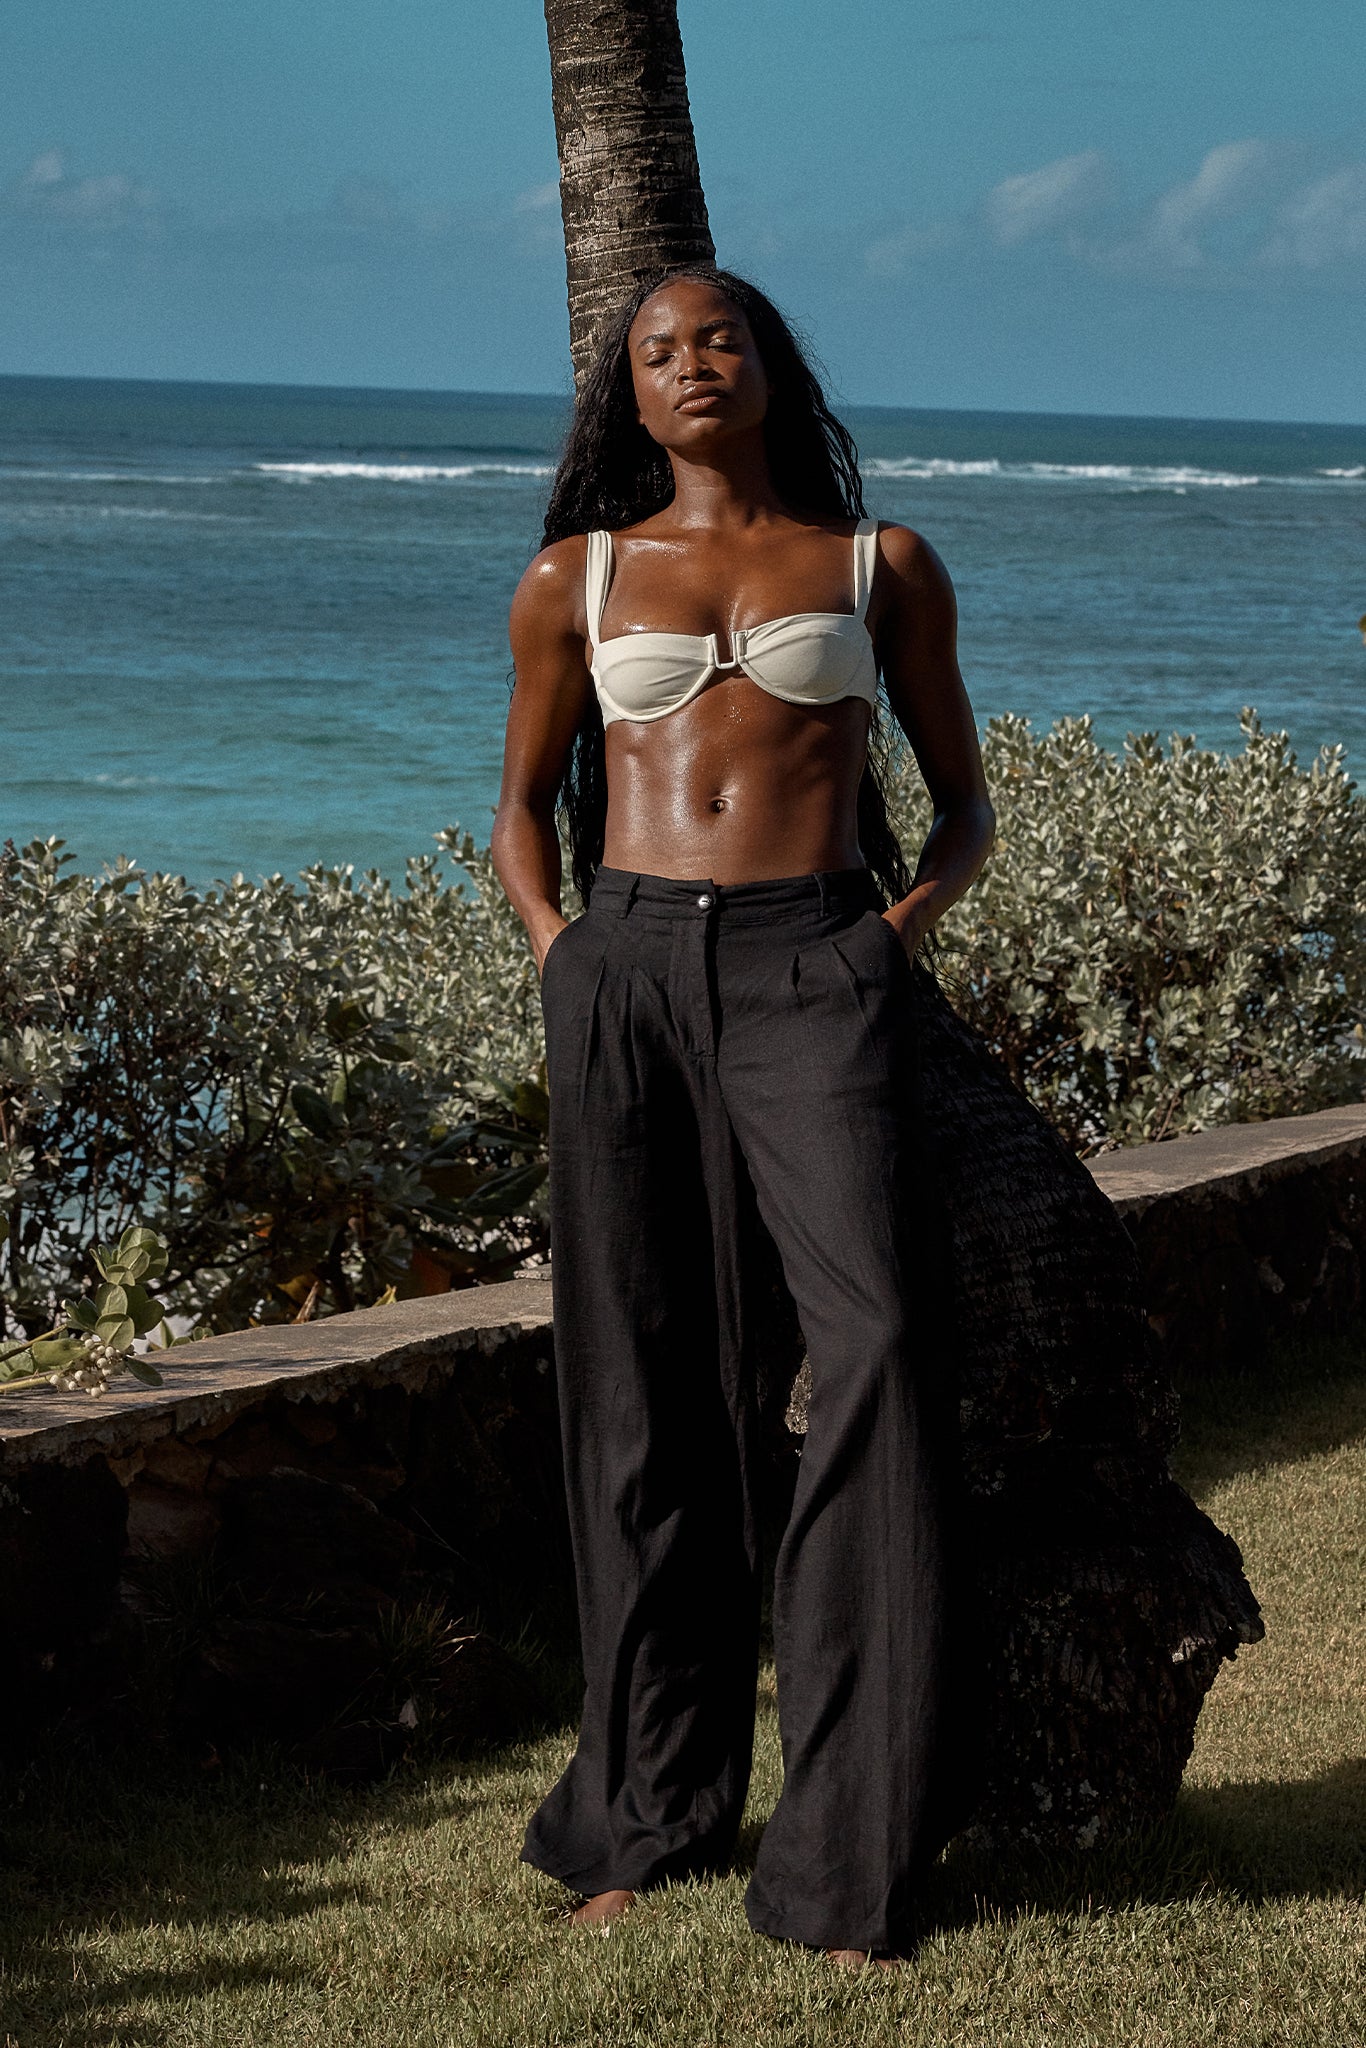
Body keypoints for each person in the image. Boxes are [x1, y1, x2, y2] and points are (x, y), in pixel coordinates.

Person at [490, 264, 996, 1967]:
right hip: (625, 961)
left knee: (877, 1349)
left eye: (720, 339)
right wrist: (566, 955)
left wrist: (875, 946)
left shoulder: (877, 565)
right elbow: (516, 813)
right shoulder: (577, 575)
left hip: (809, 965)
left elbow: (960, 813)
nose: (692, 364)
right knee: (644, 1384)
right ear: (626, 397)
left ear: (771, 367)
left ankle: (847, 1858)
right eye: (657, 351)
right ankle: (645, 1809)